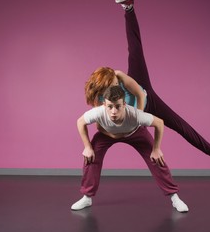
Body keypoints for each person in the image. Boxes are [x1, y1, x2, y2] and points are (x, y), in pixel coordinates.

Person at [84, 0, 210, 171]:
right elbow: (99, 123)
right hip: (128, 112)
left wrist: (138, 115)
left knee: (178, 125)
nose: (116, 84)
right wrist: (114, 132)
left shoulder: (119, 76)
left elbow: (137, 93)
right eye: (113, 84)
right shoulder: (101, 99)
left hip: (145, 93)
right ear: (103, 90)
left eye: (115, 80)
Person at [71, 85, 189, 213]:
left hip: (134, 133)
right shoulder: (98, 112)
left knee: (156, 159)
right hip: (107, 135)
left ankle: (174, 198)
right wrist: (87, 147)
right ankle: (87, 197)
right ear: (104, 104)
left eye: (118, 106)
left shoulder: (134, 115)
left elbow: (159, 123)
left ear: (124, 104)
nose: (114, 112)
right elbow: (80, 122)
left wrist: (156, 149)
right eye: (110, 106)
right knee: (90, 157)